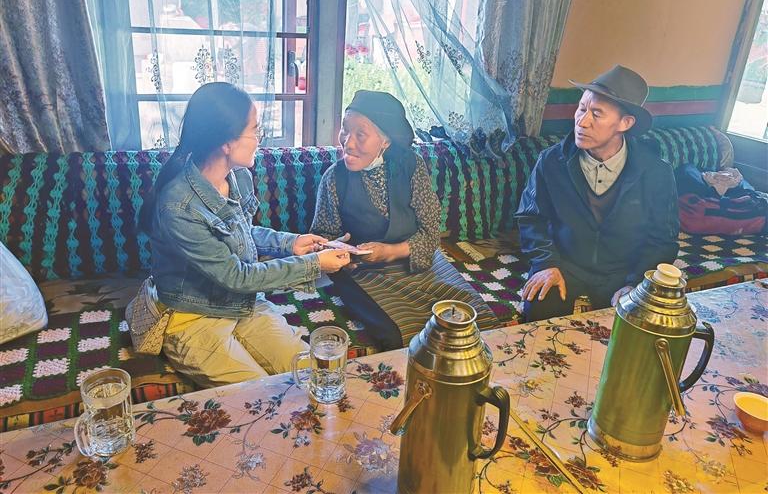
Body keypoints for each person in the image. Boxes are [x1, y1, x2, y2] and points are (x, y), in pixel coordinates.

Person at [138, 82, 351, 387]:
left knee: (311, 374)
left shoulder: (238, 176)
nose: (259, 138)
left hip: (242, 304)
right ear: (226, 142)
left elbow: (240, 232)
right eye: (254, 129)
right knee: (262, 395)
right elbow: (237, 276)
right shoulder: (178, 206)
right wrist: (316, 264)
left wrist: (291, 243)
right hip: (194, 318)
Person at [311, 90, 499, 351]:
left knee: (471, 322)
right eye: (345, 130)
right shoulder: (334, 178)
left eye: (360, 134)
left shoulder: (411, 167)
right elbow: (321, 237)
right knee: (397, 334)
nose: (348, 142)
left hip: (417, 262)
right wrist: (340, 251)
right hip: (364, 273)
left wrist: (389, 252)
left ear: (385, 141)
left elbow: (430, 234)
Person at [515, 65, 679, 322]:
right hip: (564, 265)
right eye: (581, 109)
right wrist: (546, 263)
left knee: (637, 322)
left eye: (597, 114)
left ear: (625, 123)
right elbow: (530, 218)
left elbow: (663, 239)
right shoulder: (551, 161)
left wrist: (636, 282)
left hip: (623, 272)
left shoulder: (656, 172)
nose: (582, 122)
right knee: (538, 308)